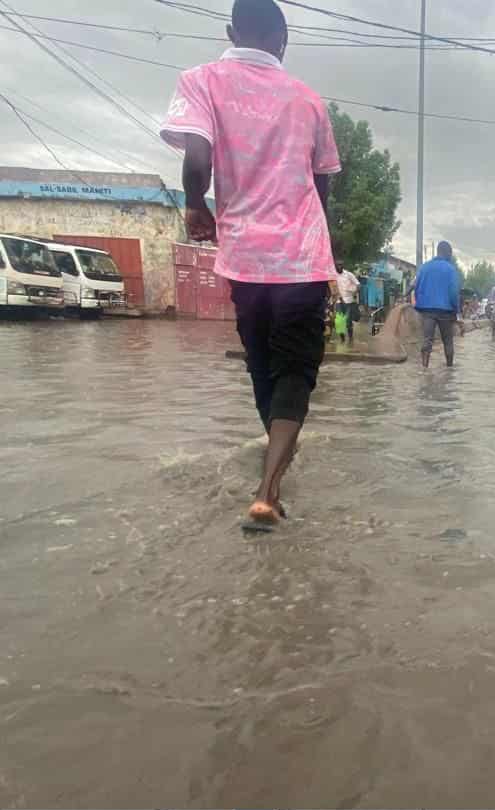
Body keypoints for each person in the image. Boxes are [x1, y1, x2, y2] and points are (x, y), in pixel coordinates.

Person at [161, 0, 341, 528]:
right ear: (283, 42)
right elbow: (323, 183)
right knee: (296, 370)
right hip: (301, 260)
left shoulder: (201, 82)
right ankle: (268, 489)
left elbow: (198, 157)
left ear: (230, 31)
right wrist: (315, 238)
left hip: (245, 260)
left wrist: (195, 205)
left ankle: (274, 462)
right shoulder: (309, 100)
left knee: (262, 365)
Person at [410, 241, 462, 368]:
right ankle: (449, 370)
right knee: (448, 341)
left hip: (427, 310)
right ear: (448, 253)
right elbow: (453, 292)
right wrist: (456, 310)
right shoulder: (451, 269)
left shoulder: (424, 267)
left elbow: (417, 287)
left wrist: (420, 305)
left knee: (427, 339)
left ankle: (424, 369)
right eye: (450, 254)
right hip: (446, 311)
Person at [334, 264, 360, 343]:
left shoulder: (349, 274)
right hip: (339, 301)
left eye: (340, 265)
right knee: (339, 321)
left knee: (348, 321)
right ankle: (342, 339)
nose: (339, 267)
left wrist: (355, 293)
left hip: (349, 301)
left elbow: (358, 284)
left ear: (342, 266)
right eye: (337, 266)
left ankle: (350, 338)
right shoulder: (333, 275)